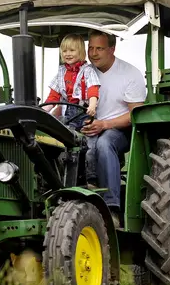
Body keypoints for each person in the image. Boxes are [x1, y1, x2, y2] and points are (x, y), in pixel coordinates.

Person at [81, 30, 146, 228]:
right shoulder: (85, 72)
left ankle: (112, 207)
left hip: (120, 130)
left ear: (112, 49)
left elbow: (136, 115)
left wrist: (104, 124)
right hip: (88, 128)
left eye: (99, 48)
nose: (93, 53)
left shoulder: (129, 74)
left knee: (104, 142)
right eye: (90, 48)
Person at [43, 33, 101, 183]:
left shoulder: (87, 71)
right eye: (64, 51)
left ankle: (91, 179)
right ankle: (62, 179)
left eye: (72, 50)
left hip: (84, 112)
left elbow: (93, 90)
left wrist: (93, 105)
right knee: (61, 145)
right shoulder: (61, 72)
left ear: (81, 52)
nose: (68, 54)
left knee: (90, 146)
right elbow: (53, 98)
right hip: (68, 113)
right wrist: (41, 112)